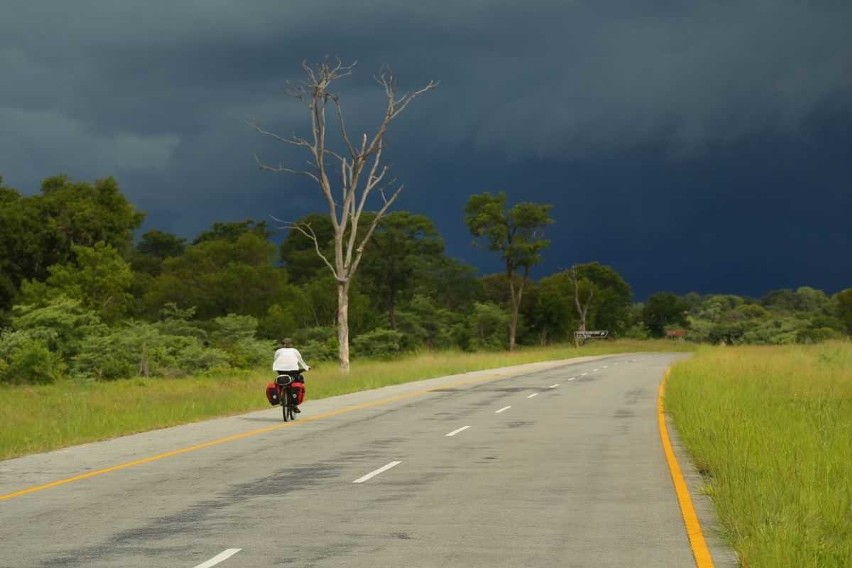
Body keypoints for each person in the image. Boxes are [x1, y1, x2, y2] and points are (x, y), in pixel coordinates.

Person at [272, 338, 310, 412]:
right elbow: (301, 361)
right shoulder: (294, 351)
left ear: (282, 344)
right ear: (291, 344)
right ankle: (293, 404)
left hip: (280, 370)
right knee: (296, 381)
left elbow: (275, 360)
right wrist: (306, 368)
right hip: (293, 370)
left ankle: (281, 397)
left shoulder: (278, 351)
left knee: (281, 381)